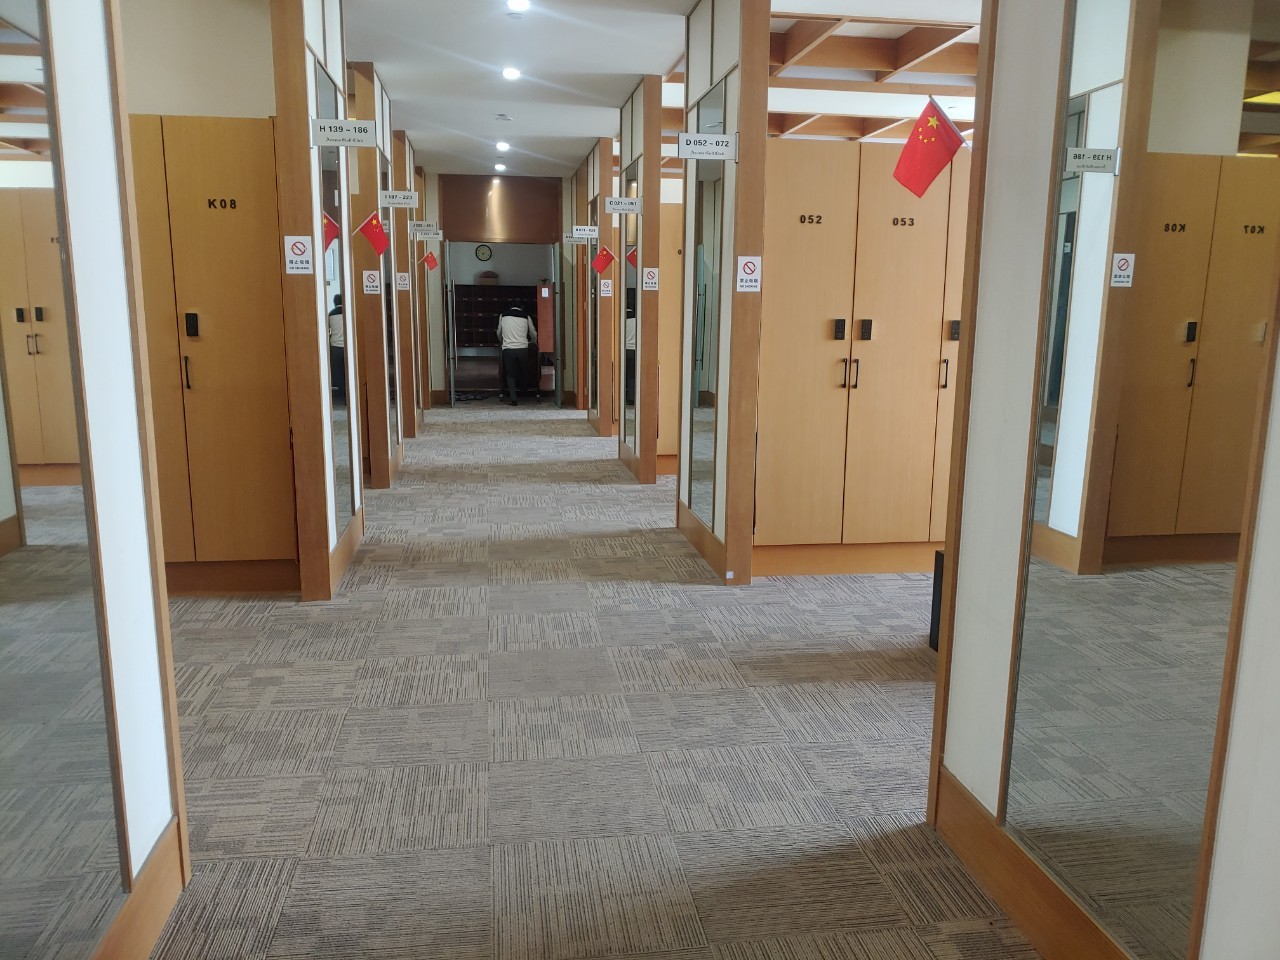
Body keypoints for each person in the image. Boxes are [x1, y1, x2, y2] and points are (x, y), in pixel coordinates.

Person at [497, 305, 537, 406]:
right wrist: (533, 341)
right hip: (523, 348)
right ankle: (524, 391)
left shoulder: (503, 316)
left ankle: (513, 399)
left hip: (508, 349)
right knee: (524, 371)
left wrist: (502, 341)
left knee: (510, 374)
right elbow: (533, 333)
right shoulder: (526, 316)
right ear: (522, 307)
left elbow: (499, 332)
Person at [327, 294, 346, 406]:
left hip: (335, 348)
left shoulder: (330, 314)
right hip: (347, 348)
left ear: (334, 303)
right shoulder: (348, 312)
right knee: (348, 372)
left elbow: (327, 330)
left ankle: (342, 395)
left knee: (338, 373)